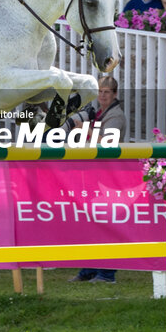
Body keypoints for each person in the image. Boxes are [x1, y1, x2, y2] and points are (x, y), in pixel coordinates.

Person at [66, 75, 125, 284]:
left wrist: (86, 130)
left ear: (115, 94)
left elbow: (108, 142)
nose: (102, 95)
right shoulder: (98, 112)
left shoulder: (116, 116)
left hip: (107, 176)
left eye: (106, 92)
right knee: (91, 224)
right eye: (100, 91)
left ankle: (107, 274)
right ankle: (89, 269)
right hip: (94, 173)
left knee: (106, 224)